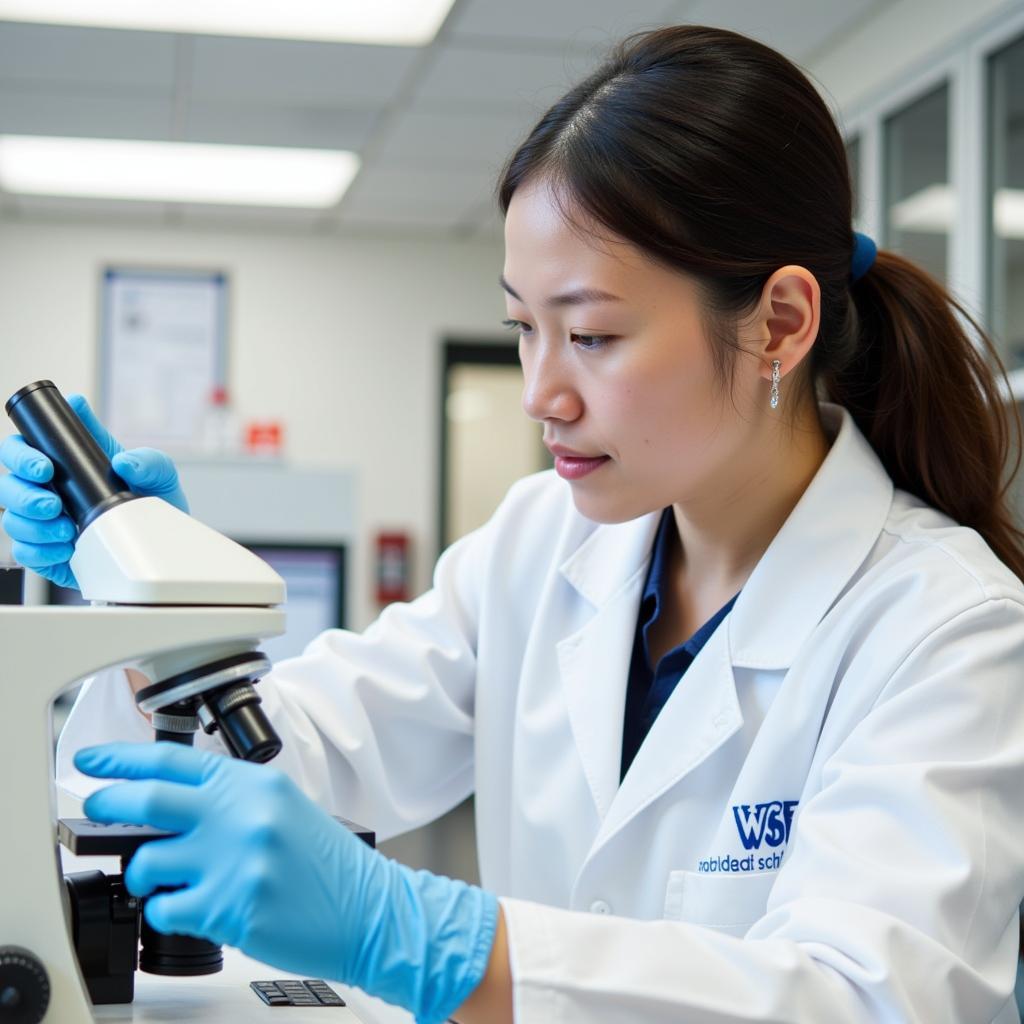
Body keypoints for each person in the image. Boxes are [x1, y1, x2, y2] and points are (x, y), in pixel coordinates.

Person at [4, 23, 1024, 1024]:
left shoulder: (948, 628)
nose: (542, 392)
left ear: (781, 323)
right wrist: (164, 622)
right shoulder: (540, 542)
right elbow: (292, 752)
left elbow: (873, 997)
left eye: (591, 333)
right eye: (523, 329)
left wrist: (427, 937)